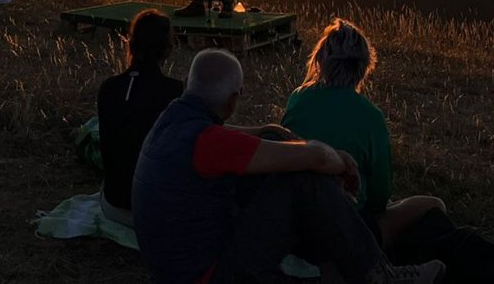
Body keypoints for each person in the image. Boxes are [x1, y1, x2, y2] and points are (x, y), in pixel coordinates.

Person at [132, 48, 445, 284]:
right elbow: (317, 159)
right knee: (301, 181)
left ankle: (337, 264)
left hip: (175, 266)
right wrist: (338, 161)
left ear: (189, 84)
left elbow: (251, 136)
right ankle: (379, 274)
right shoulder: (210, 143)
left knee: (286, 160)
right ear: (231, 101)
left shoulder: (175, 119)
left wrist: (280, 134)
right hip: (209, 275)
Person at [282, 18, 444, 249]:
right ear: (364, 66)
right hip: (346, 230)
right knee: (434, 205)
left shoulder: (298, 99)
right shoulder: (371, 116)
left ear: (321, 60)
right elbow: (379, 199)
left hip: (295, 220)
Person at [96, 9, 183, 227]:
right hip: (156, 210)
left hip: (113, 206)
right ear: (167, 49)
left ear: (131, 44)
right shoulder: (175, 93)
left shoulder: (109, 88)